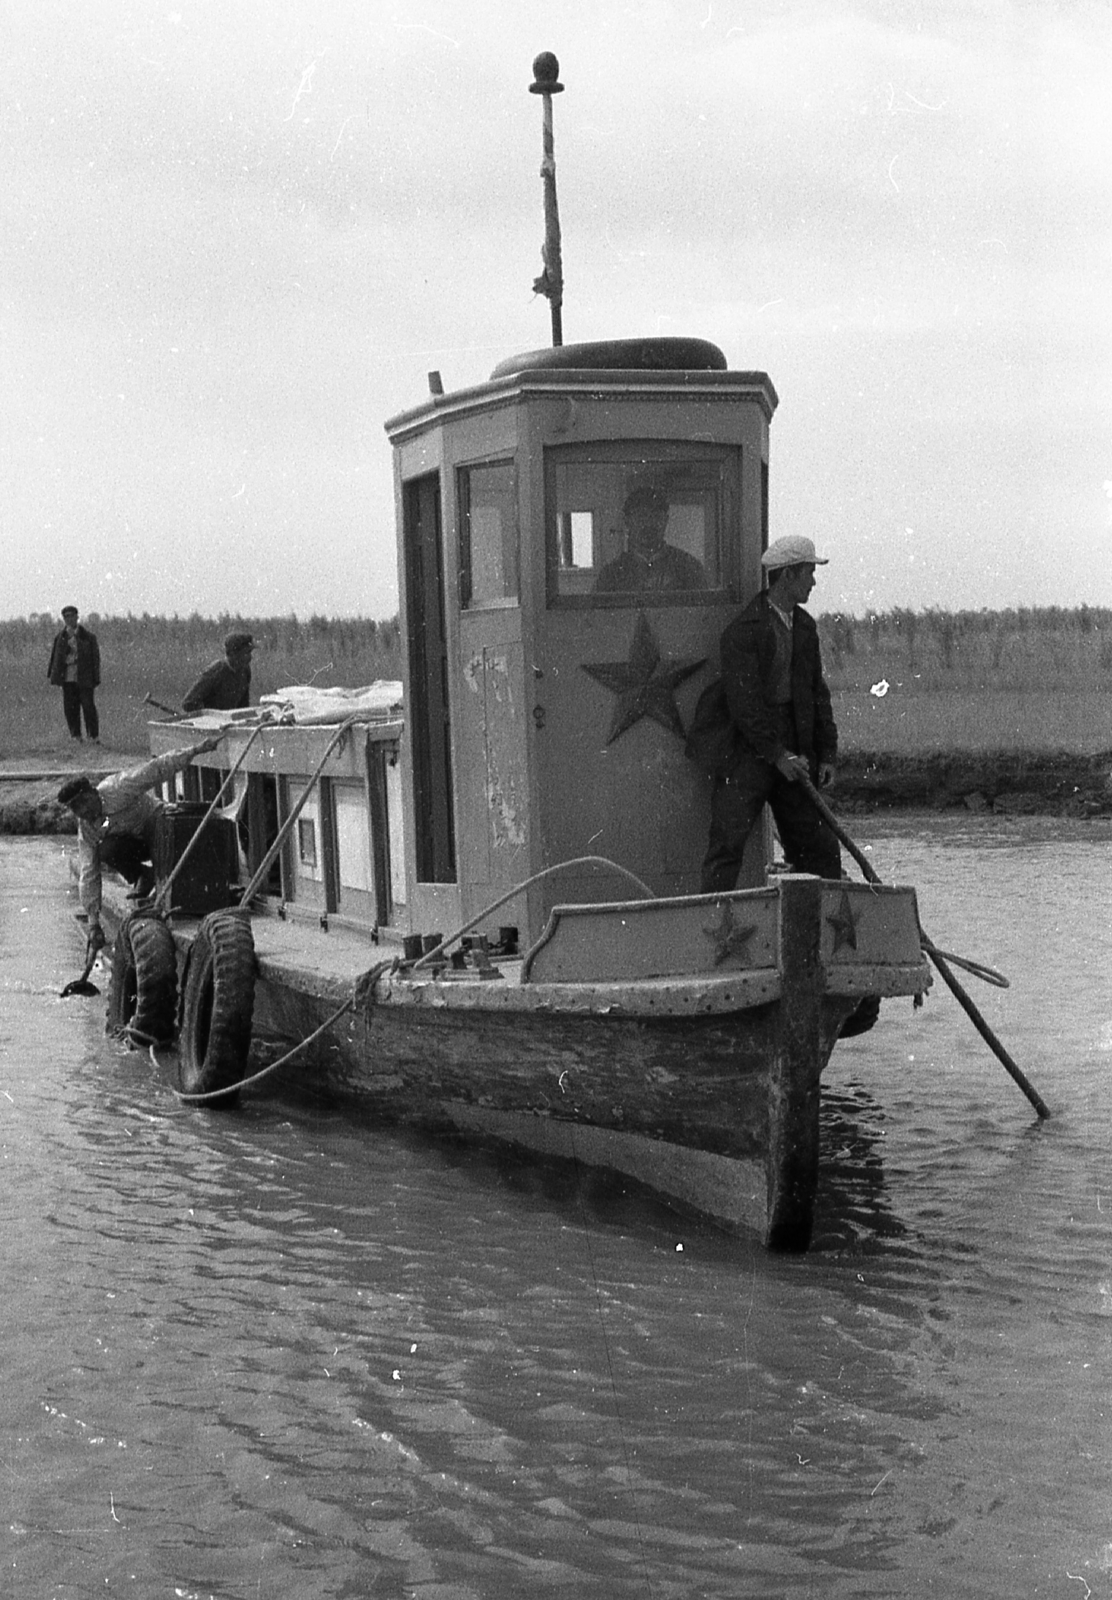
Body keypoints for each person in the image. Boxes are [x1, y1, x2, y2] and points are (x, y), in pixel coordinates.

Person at [699, 534, 841, 892]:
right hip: (746, 752)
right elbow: (744, 707)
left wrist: (826, 754)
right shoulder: (742, 633)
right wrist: (777, 755)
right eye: (808, 572)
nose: (813, 581)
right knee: (727, 845)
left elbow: (816, 693)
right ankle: (715, 933)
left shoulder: (805, 628)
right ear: (788, 575)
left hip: (793, 747)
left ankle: (822, 930)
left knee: (818, 848)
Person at [58, 737, 222, 956]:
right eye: (76, 810)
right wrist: (94, 923)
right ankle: (142, 875)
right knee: (105, 849)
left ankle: (176, 886)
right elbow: (89, 872)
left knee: (167, 826)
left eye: (84, 803)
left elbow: (156, 769)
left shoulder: (118, 787)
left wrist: (195, 750)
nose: (84, 812)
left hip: (155, 825)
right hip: (133, 844)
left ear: (93, 793)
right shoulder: (87, 827)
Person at [595, 486, 708, 593]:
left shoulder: (689, 568)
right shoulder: (611, 575)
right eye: (641, 516)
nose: (648, 524)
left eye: (656, 516)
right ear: (627, 521)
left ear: (665, 520)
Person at [47, 607, 101, 743]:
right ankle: (75, 735)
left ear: (77, 617)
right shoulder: (60, 637)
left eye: (72, 616)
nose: (69, 619)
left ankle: (93, 736)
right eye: (66, 617)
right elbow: (56, 658)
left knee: (88, 707)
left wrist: (96, 678)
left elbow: (95, 659)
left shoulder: (88, 637)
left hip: (85, 678)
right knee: (70, 708)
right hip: (68, 678)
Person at [182, 632, 254, 713]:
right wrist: (211, 715)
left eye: (250, 653)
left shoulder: (245, 671)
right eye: (246, 653)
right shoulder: (217, 671)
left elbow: (243, 706)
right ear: (232, 654)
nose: (250, 657)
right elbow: (188, 703)